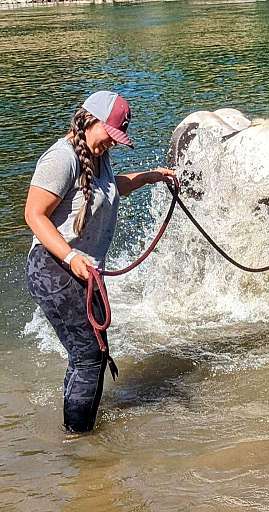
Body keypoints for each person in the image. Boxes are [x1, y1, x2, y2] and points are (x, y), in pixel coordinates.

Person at [24, 90, 176, 434]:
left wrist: (151, 176)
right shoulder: (61, 159)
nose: (113, 144)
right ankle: (79, 442)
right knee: (90, 355)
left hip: (82, 271)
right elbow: (34, 215)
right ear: (90, 121)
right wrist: (71, 255)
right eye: (111, 135)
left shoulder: (97, 154)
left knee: (90, 353)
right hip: (53, 268)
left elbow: (111, 188)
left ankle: (76, 431)